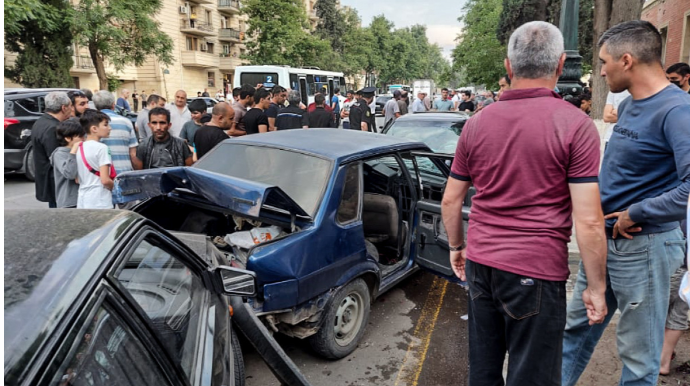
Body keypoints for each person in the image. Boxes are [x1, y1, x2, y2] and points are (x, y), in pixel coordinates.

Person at [442, 21, 608, 386]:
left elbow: (452, 199)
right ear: (561, 64)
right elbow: (590, 221)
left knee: (482, 370)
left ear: (508, 66)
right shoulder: (575, 126)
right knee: (532, 376)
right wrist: (596, 287)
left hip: (481, 263)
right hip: (536, 270)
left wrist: (457, 247)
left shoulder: (477, 123)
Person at [562, 20, 690, 386]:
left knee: (638, 358)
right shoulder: (632, 105)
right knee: (575, 331)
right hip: (603, 242)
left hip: (645, 248)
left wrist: (636, 212)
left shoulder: (678, 111)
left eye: (604, 62)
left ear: (628, 60)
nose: (600, 70)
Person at [32, 91, 73, 208]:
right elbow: (56, 157)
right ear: (64, 108)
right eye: (70, 106)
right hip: (55, 182)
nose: (72, 109)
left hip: (49, 179)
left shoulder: (41, 121)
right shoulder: (53, 127)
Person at [76, 109, 114, 209]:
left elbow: (77, 179)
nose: (109, 128)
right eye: (105, 125)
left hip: (83, 199)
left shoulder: (79, 147)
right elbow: (105, 180)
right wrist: (115, 187)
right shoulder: (102, 148)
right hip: (100, 200)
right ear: (94, 129)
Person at [93, 90, 137, 175]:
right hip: (125, 173)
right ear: (113, 105)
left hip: (102, 175)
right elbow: (133, 153)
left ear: (95, 106)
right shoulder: (126, 122)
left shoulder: (91, 124)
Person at [50, 118, 84, 208]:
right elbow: (70, 173)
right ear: (68, 138)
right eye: (80, 136)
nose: (83, 139)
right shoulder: (59, 154)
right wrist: (73, 153)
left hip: (82, 199)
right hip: (69, 202)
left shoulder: (82, 151)